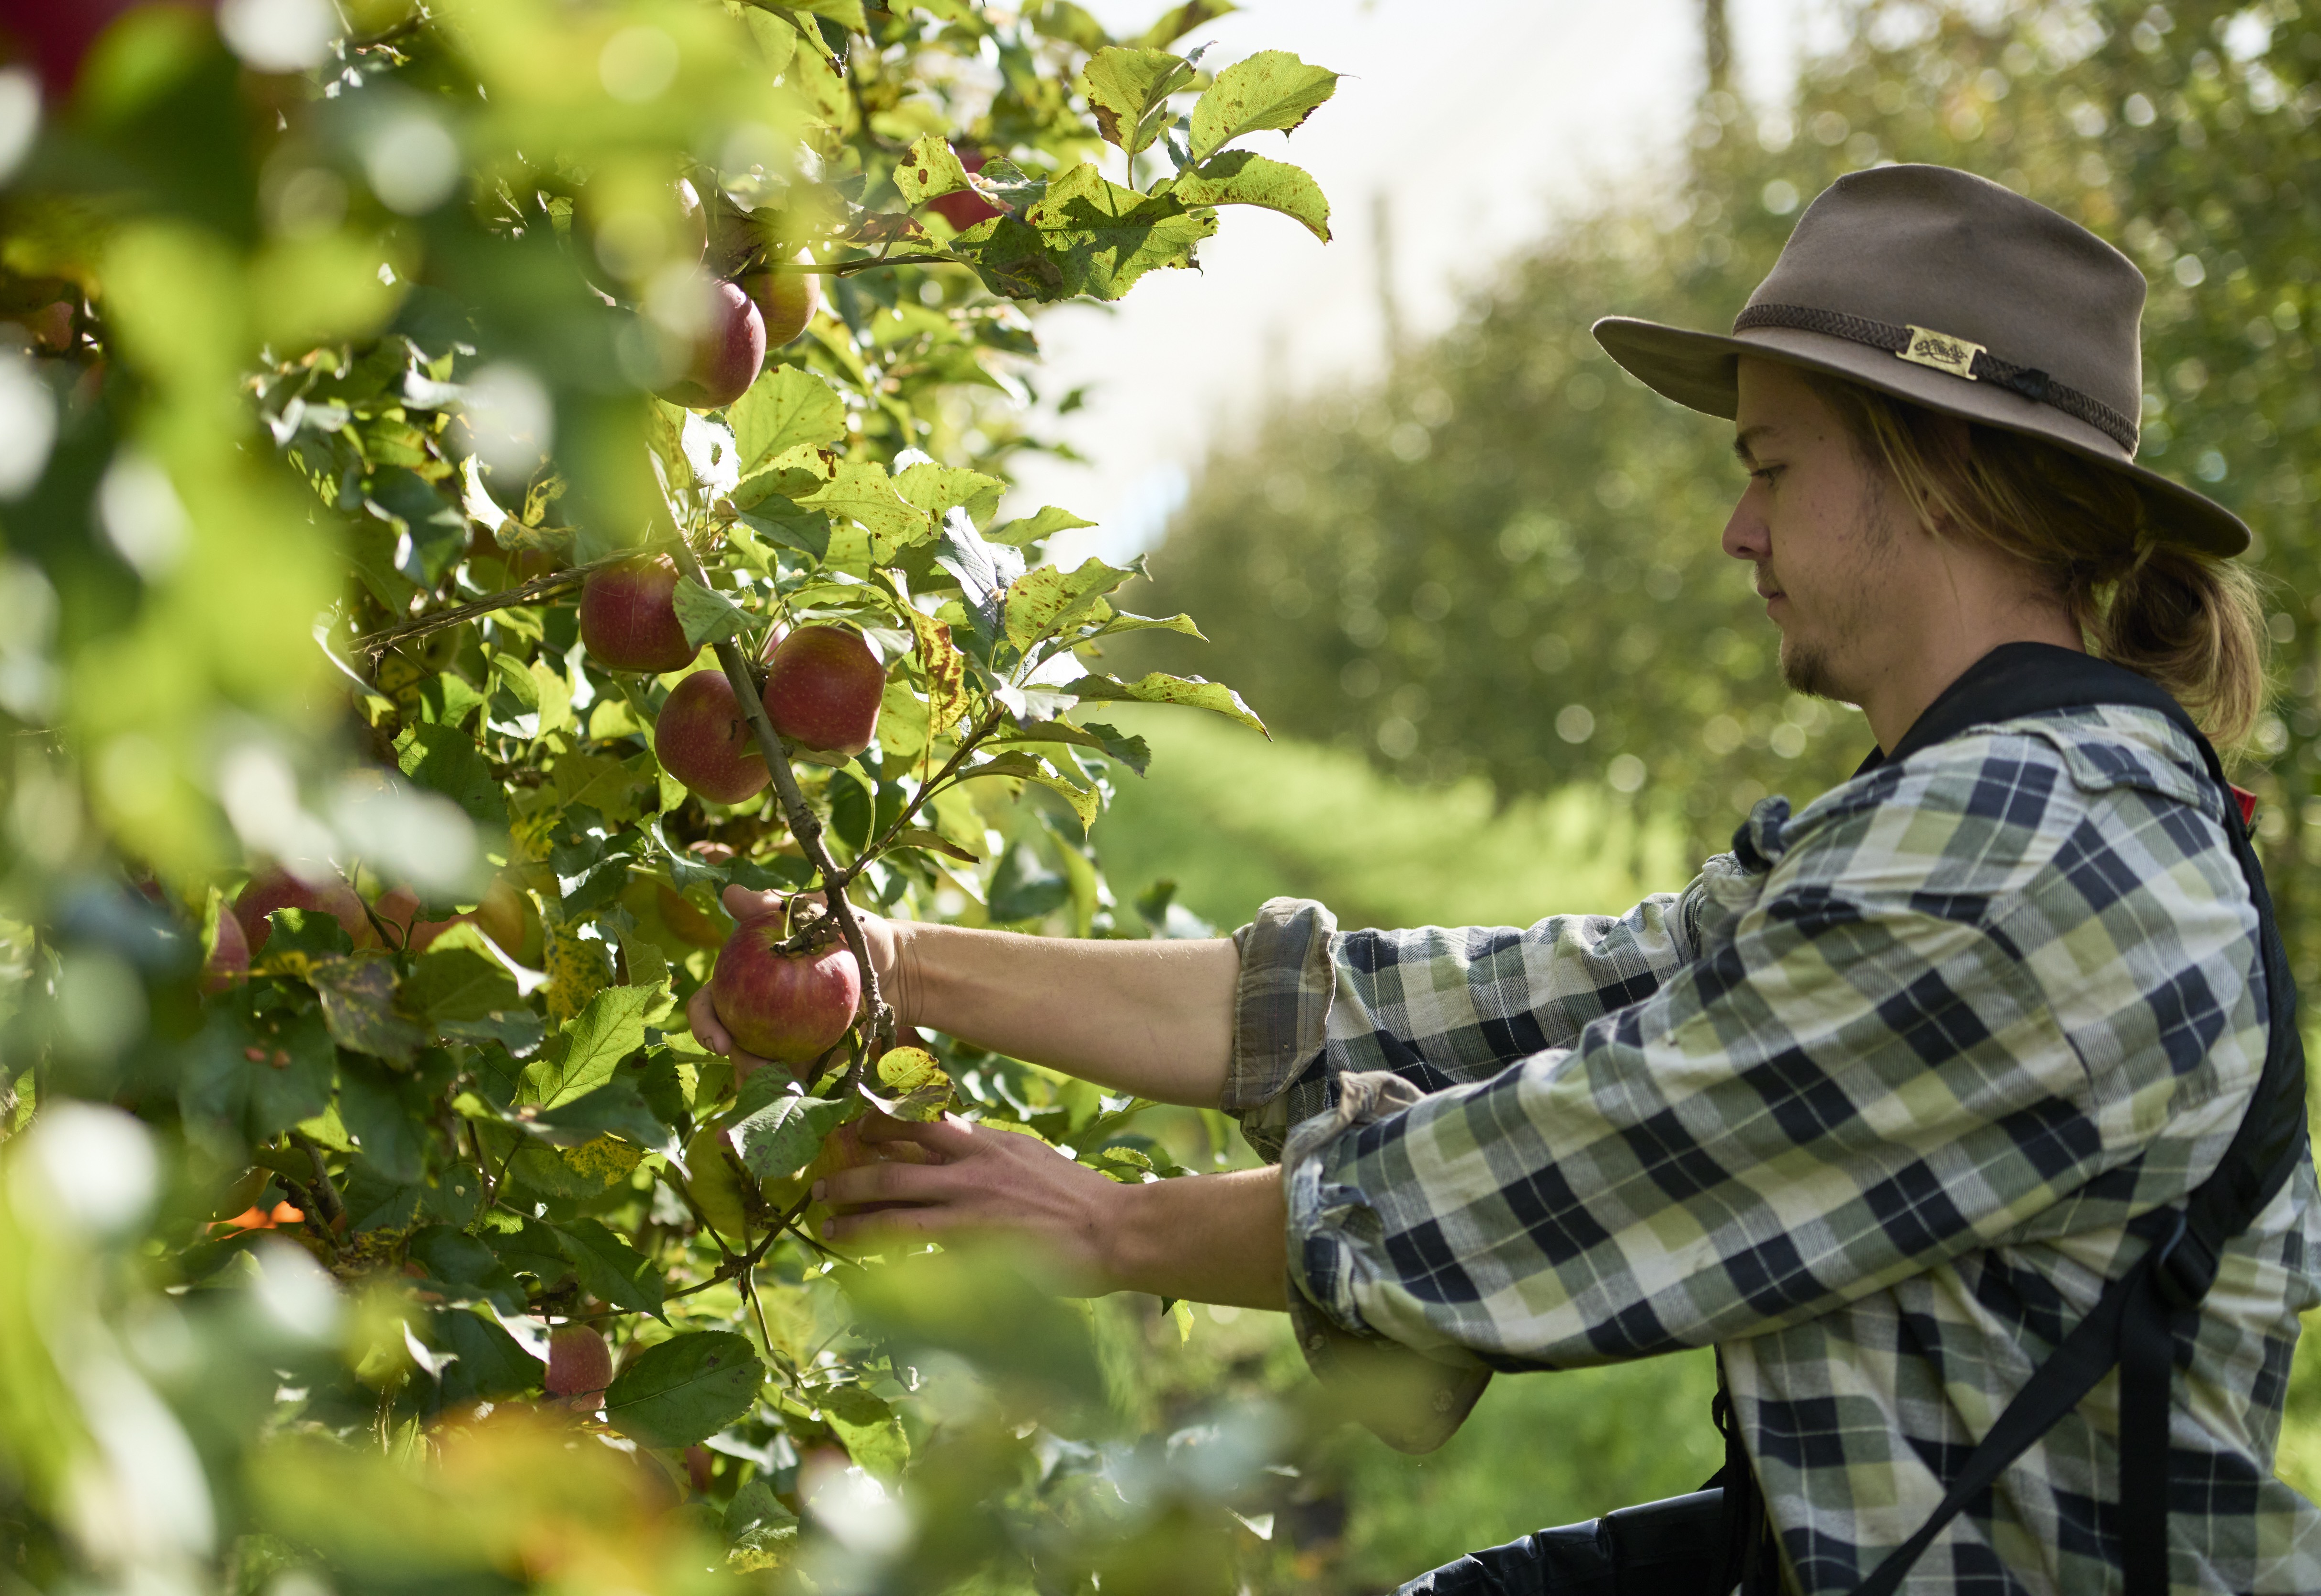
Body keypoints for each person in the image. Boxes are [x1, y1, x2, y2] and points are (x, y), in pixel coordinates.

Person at [688, 166, 2321, 1593]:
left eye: (1772, 466)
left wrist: (1110, 1226)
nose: (1737, 531)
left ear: (1938, 471)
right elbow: (1492, 1011)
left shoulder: (2015, 862)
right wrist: (890, 960)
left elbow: (1600, 1165)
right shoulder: (1962, 811)